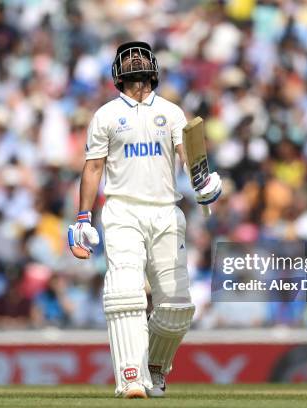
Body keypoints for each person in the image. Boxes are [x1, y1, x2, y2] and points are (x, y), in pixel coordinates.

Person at [67, 41, 222, 398]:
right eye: (129, 57)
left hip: (166, 210)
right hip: (123, 210)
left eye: (141, 56)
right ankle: (130, 377)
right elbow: (93, 167)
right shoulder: (106, 115)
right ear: (118, 72)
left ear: (153, 67)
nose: (135, 60)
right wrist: (82, 218)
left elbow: (190, 156)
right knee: (124, 293)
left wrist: (204, 182)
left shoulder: (171, 113)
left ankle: (154, 364)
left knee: (178, 306)